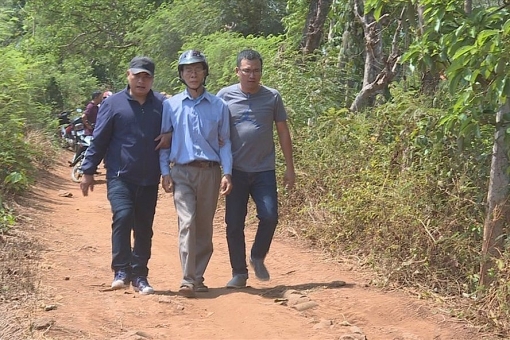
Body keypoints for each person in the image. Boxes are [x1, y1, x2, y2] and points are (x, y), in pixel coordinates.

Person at [80, 56, 168, 295]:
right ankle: (121, 270)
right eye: (137, 75)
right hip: (120, 175)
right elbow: (99, 139)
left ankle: (140, 275)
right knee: (123, 216)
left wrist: (169, 136)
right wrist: (88, 170)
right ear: (128, 75)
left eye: (146, 76)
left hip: (149, 177)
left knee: (144, 227)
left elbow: (174, 132)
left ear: (152, 79)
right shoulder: (113, 104)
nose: (141, 80)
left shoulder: (161, 104)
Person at [216, 49, 295, 289]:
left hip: (264, 170)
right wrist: (220, 170)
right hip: (235, 171)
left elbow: (283, 131)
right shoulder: (224, 97)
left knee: (270, 216)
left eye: (256, 70)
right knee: (234, 223)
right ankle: (239, 273)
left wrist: (290, 168)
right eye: (247, 70)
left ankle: (257, 256)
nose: (252, 75)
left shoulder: (272, 97)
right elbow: (216, 133)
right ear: (237, 71)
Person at [159, 50, 233, 298]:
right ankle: (187, 279)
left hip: (210, 172)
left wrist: (227, 172)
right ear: (181, 74)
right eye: (187, 69)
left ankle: (198, 276)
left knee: (204, 226)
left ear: (204, 72)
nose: (192, 73)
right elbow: (164, 141)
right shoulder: (170, 105)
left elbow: (225, 142)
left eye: (197, 68)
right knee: (187, 222)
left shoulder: (218, 106)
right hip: (181, 172)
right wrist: (164, 171)